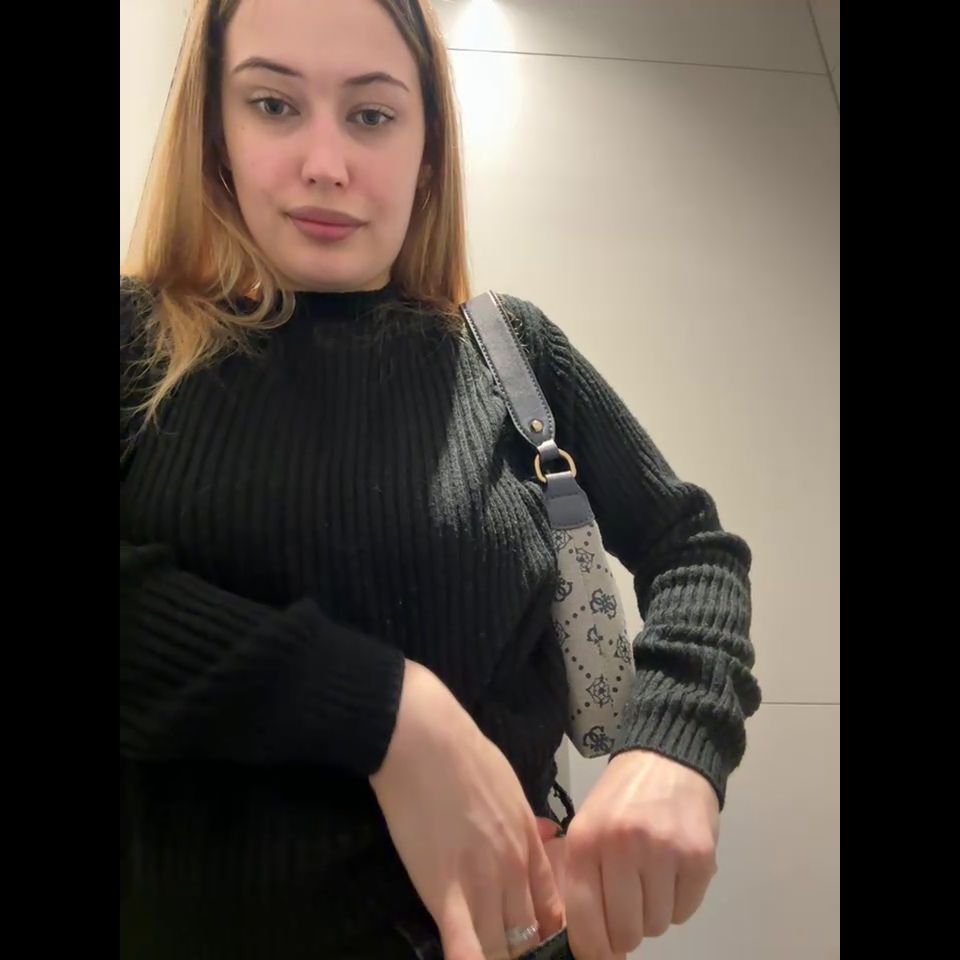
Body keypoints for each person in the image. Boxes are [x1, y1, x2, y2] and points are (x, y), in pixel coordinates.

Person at [119, 1, 762, 958]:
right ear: (216, 132)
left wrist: (676, 741)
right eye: (273, 104)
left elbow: (693, 548)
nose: (325, 163)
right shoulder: (134, 339)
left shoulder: (511, 351)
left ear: (429, 151)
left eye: (372, 115)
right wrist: (387, 712)